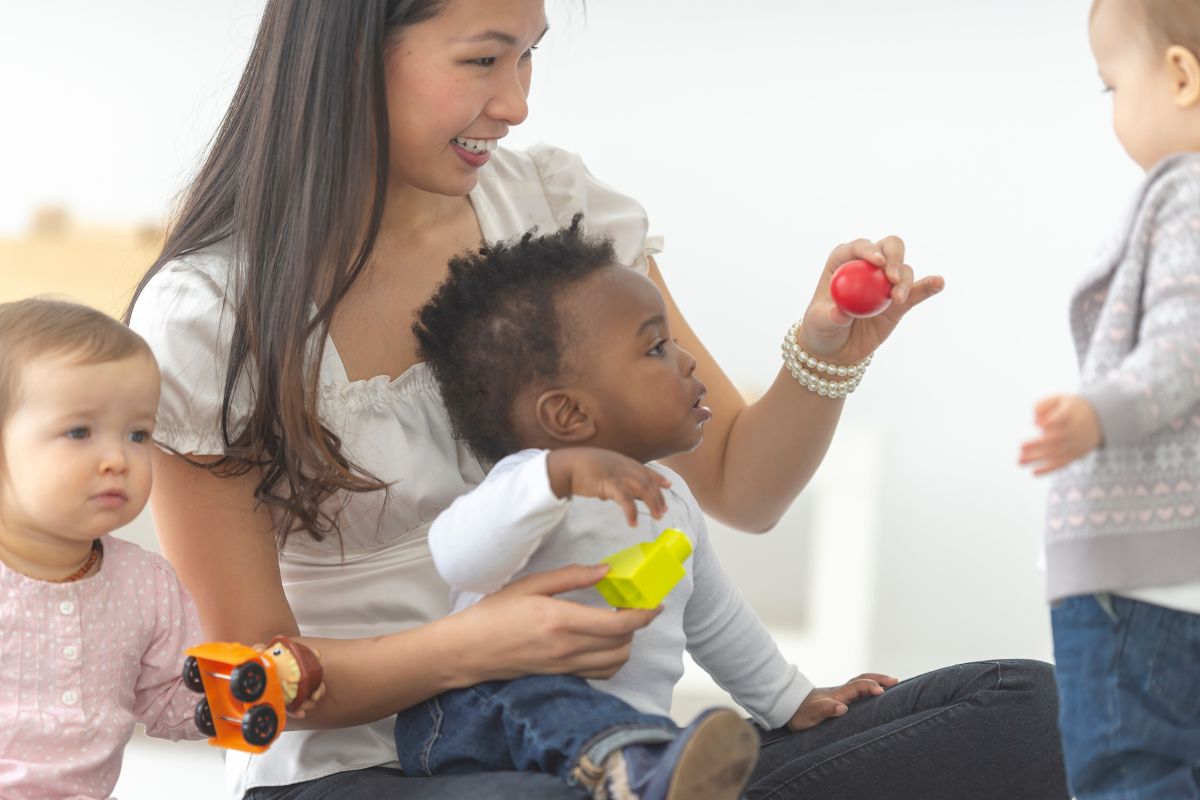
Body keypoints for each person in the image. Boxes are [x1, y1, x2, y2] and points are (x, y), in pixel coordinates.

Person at [126, 1, 1068, 798]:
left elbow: (741, 487)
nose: (515, 101)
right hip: (372, 768)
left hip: (608, 750)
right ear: (351, 53)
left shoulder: (551, 206)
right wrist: (476, 647)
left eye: (528, 55)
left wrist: (825, 354)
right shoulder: (214, 315)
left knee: (1023, 707)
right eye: (484, 59)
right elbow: (250, 685)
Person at [393, 218, 900, 800]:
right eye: (657, 348)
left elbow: (717, 620)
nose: (687, 361)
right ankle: (636, 763)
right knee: (538, 694)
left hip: (597, 749)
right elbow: (456, 555)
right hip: (470, 722)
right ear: (568, 415)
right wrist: (555, 477)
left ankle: (638, 770)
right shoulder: (528, 487)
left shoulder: (672, 499)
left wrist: (792, 699)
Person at [1019, 1, 1200, 797]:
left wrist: (1102, 413)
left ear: (1181, 76)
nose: (1113, 109)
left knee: (1128, 774)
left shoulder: (1186, 191)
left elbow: (1185, 344)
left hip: (1142, 572)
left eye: (1112, 86)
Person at [0, 298, 206, 799]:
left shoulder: (147, 583)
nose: (117, 458)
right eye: (79, 431)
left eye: (138, 434)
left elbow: (170, 699)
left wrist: (240, 696)